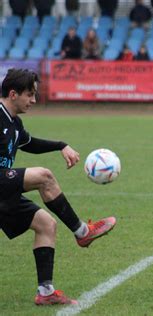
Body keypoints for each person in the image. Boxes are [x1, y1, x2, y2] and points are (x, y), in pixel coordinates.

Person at [0, 68, 116, 305]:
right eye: (30, 94)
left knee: (46, 224)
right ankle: (83, 232)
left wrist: (60, 145)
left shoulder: (14, 122)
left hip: (4, 189)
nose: (34, 100)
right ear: (13, 94)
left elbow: (29, 143)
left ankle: (46, 292)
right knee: (44, 176)